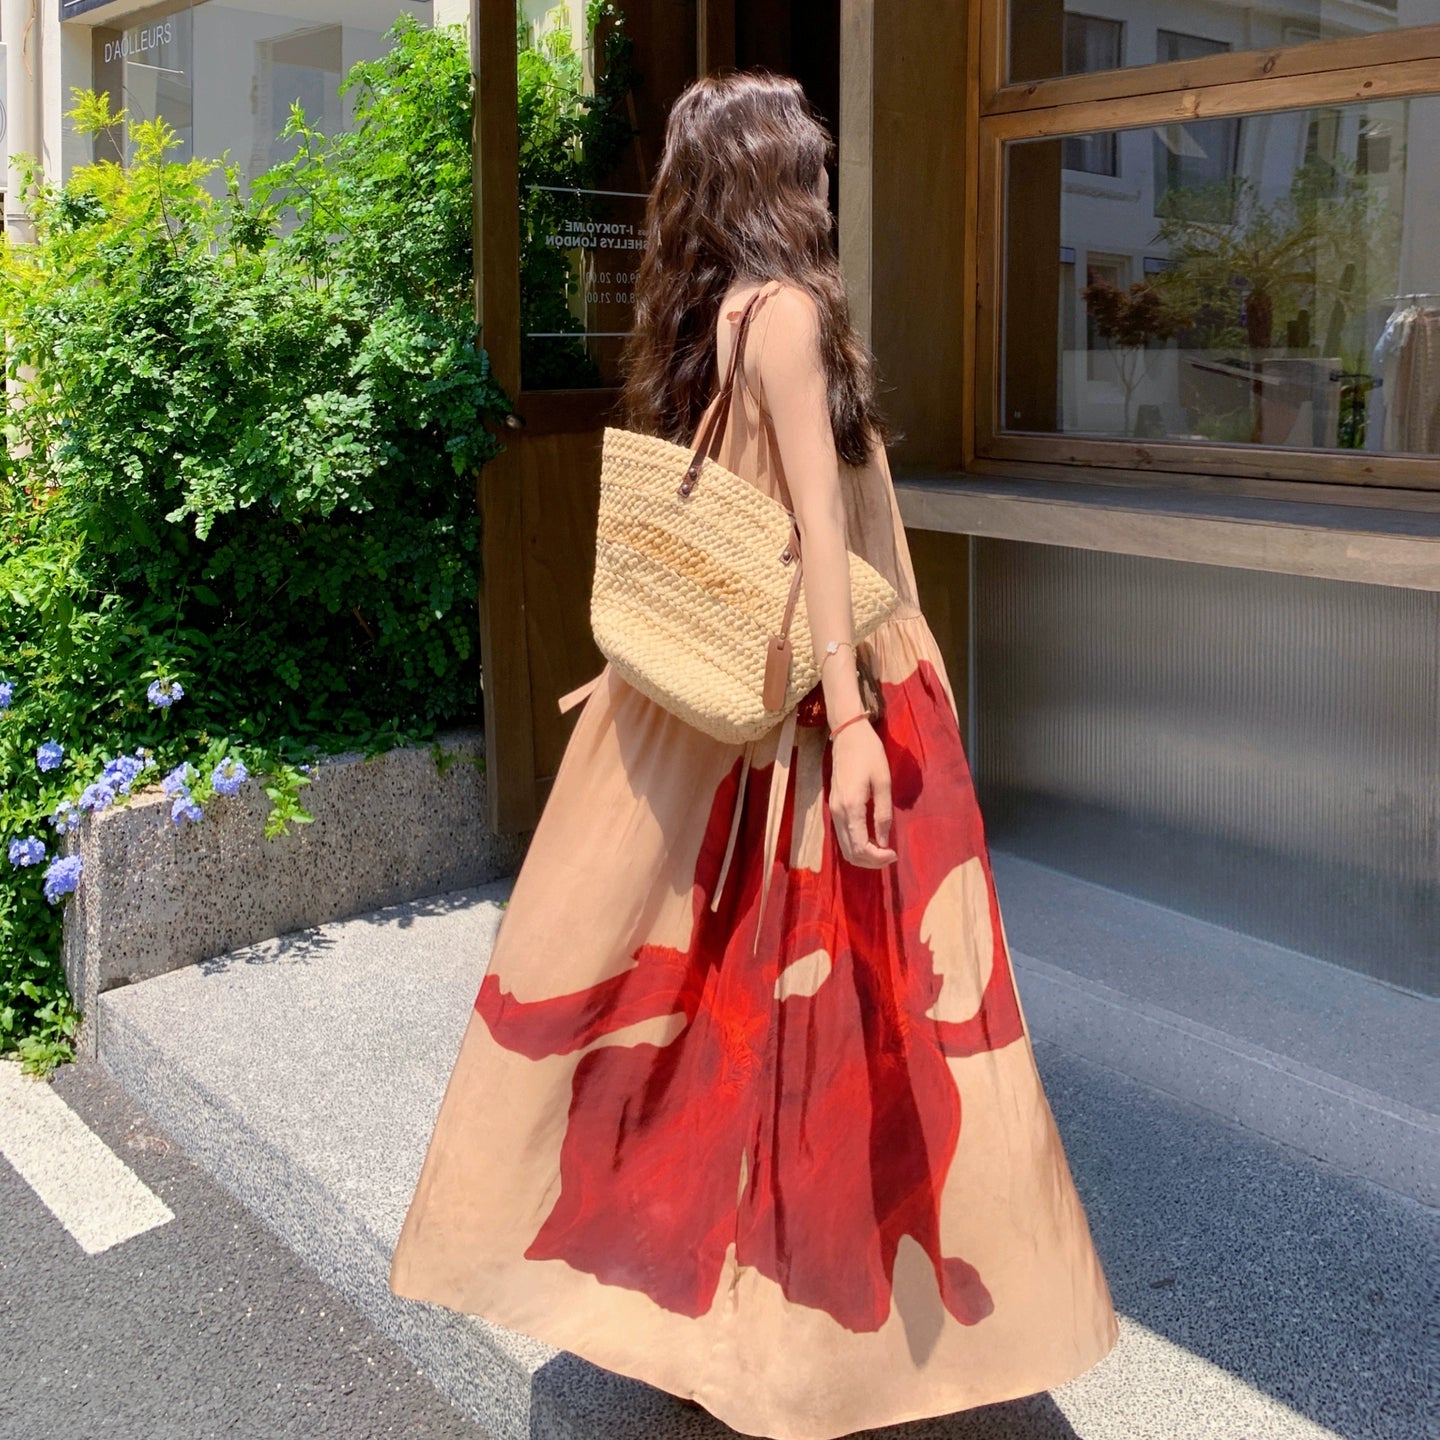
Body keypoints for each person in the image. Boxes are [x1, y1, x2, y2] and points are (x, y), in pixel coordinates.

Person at [388, 68, 1118, 1440]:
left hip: (747, 714)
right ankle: (814, 1330)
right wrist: (856, 721)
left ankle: (720, 1306)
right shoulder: (786, 313)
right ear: (775, 173)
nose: (825, 177)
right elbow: (817, 538)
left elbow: (745, 520)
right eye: (809, 156)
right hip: (818, 702)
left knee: (729, 1007)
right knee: (843, 1020)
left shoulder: (716, 314)